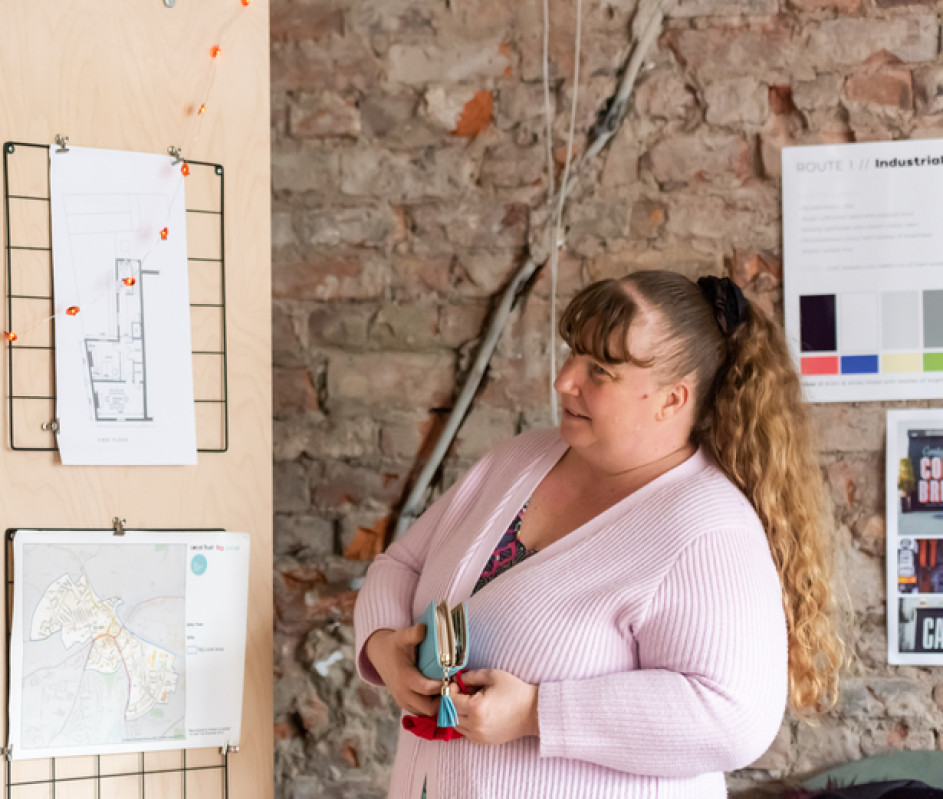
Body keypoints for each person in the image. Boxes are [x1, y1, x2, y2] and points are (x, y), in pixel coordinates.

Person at [355, 271, 844, 798]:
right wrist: (384, 645)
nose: (565, 380)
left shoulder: (708, 526)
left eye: (600, 370)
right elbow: (401, 564)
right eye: (572, 354)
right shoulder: (521, 459)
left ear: (672, 400)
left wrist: (538, 713)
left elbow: (734, 716)